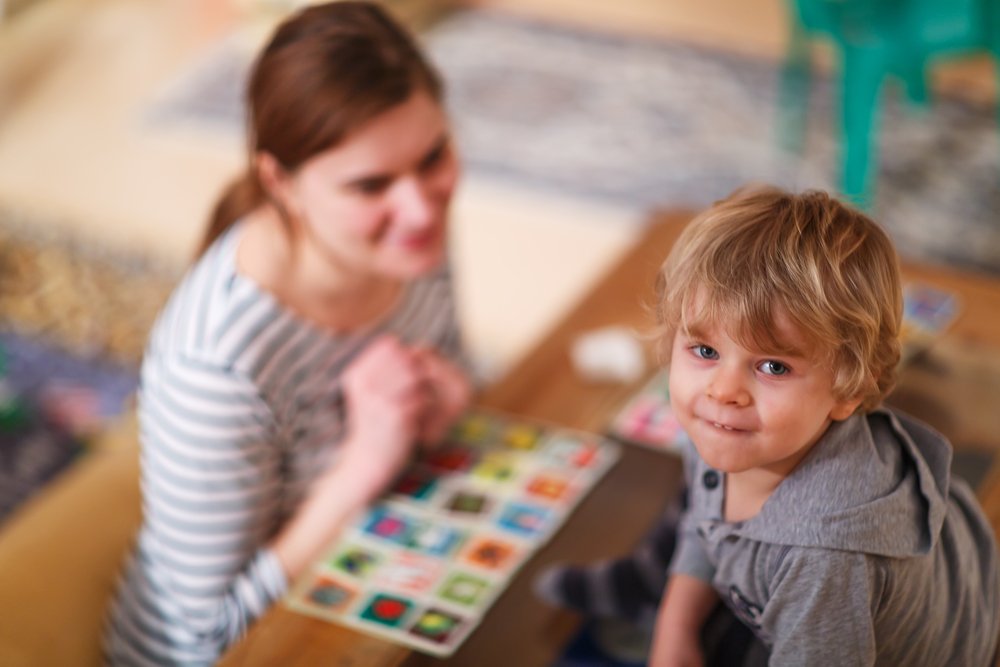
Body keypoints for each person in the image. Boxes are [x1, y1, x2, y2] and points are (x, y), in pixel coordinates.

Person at [103, 3, 473, 664]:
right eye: (370, 185)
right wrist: (363, 463)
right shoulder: (213, 368)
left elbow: (452, 377)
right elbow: (209, 638)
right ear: (281, 182)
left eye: (434, 155)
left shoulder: (411, 238)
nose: (420, 206)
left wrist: (441, 412)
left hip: (374, 578)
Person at [536, 186, 1000, 665]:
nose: (723, 390)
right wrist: (676, 630)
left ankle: (653, 590)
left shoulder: (825, 565)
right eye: (705, 351)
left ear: (848, 392)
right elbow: (706, 519)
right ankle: (653, 588)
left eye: (773, 367)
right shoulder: (728, 429)